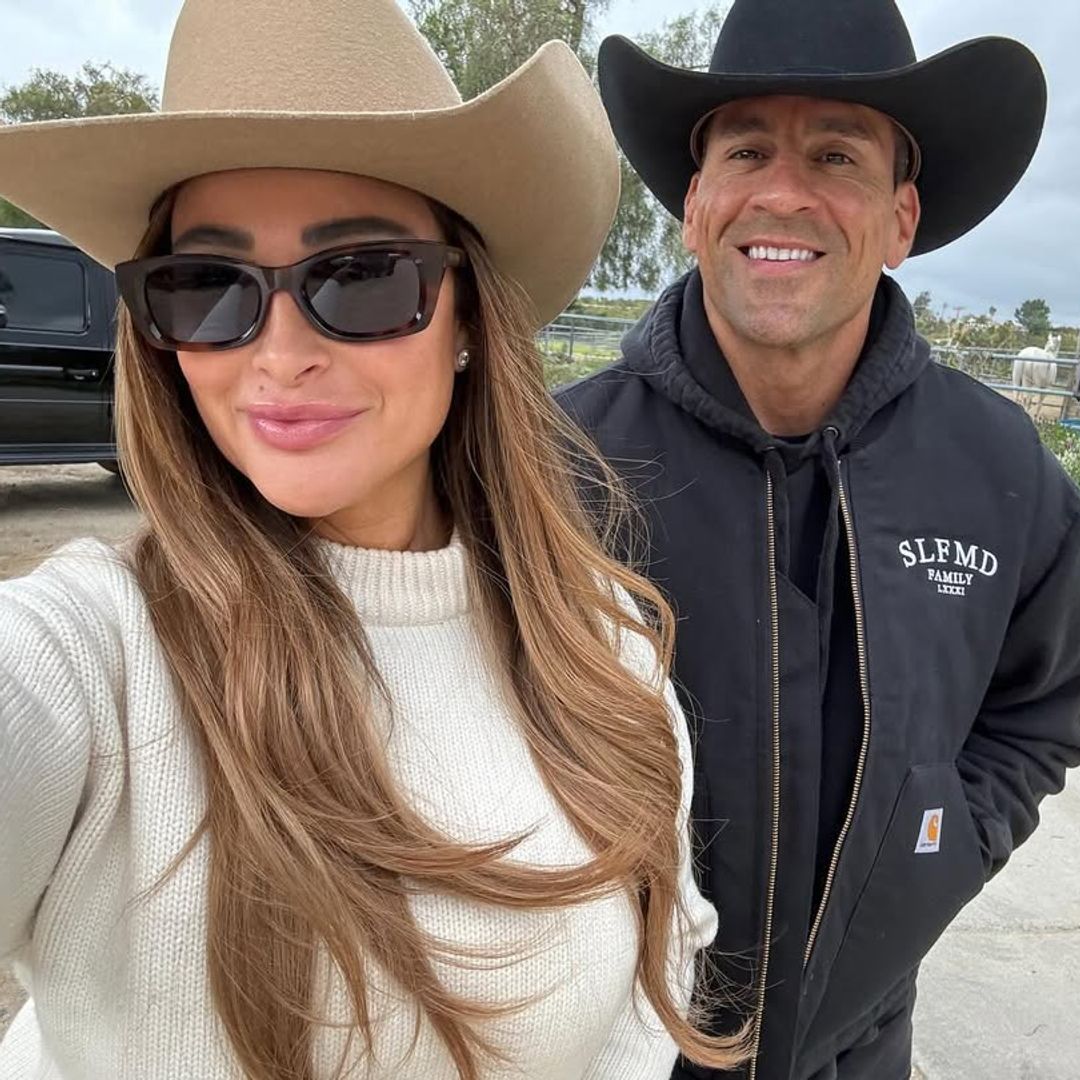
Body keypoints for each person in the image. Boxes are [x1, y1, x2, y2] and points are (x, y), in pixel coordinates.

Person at [0, 2, 746, 1077]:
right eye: (206, 286)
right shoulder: (92, 656)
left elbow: (650, 984)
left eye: (361, 275)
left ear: (469, 318)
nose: (279, 352)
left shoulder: (607, 652)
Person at [558, 1, 1080, 1078]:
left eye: (837, 155)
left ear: (901, 218)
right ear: (695, 205)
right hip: (608, 1051)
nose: (784, 193)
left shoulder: (1001, 473)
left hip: (862, 1052)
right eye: (748, 151)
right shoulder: (555, 465)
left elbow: (1045, 703)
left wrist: (941, 844)